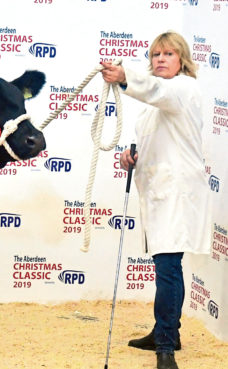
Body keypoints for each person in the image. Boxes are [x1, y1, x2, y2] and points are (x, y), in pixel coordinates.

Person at [101, 31, 212, 369]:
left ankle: (165, 345)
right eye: (156, 54)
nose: (160, 59)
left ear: (182, 60)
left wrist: (124, 78)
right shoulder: (152, 106)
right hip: (159, 194)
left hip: (177, 194)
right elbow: (147, 139)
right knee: (165, 266)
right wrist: (129, 157)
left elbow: (157, 91)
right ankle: (166, 332)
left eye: (168, 54)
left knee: (167, 269)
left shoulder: (183, 88)